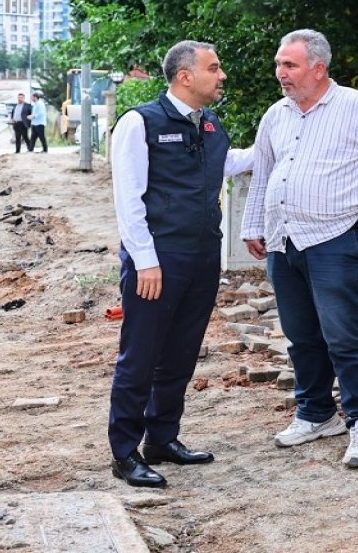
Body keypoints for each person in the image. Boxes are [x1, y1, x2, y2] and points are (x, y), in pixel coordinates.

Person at [242, 29, 358, 468]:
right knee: (301, 336)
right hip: (285, 241)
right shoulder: (277, 115)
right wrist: (253, 225)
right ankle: (316, 413)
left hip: (338, 239)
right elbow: (264, 170)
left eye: (290, 65)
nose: (280, 73)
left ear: (318, 68)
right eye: (278, 65)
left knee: (345, 337)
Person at [108, 40, 253, 487]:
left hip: (203, 255)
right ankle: (125, 452)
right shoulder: (140, 122)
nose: (222, 75)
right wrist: (145, 260)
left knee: (181, 353)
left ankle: (162, 438)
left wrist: (278, 142)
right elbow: (127, 196)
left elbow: (225, 165)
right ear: (185, 76)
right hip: (158, 260)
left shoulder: (209, 124)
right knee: (141, 356)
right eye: (214, 67)